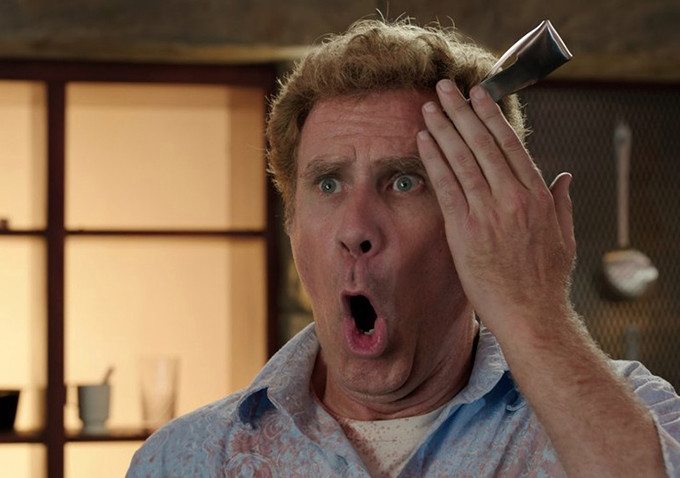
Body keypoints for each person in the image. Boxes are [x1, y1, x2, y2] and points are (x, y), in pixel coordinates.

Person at [127, 18, 680, 477]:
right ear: (292, 223)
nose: (355, 228)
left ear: (480, 217)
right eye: (328, 184)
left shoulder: (636, 415)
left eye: (404, 181)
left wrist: (536, 310)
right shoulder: (185, 461)